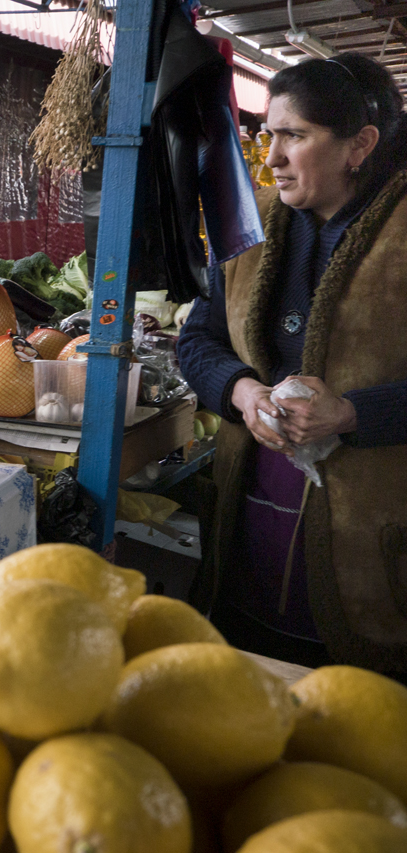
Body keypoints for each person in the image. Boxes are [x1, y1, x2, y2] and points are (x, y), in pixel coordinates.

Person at [177, 53, 407, 678]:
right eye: (268, 133)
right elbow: (196, 340)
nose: (272, 156)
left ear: (359, 144)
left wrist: (355, 413)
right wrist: (245, 393)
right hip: (250, 506)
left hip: (372, 531)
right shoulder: (247, 226)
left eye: (294, 136)